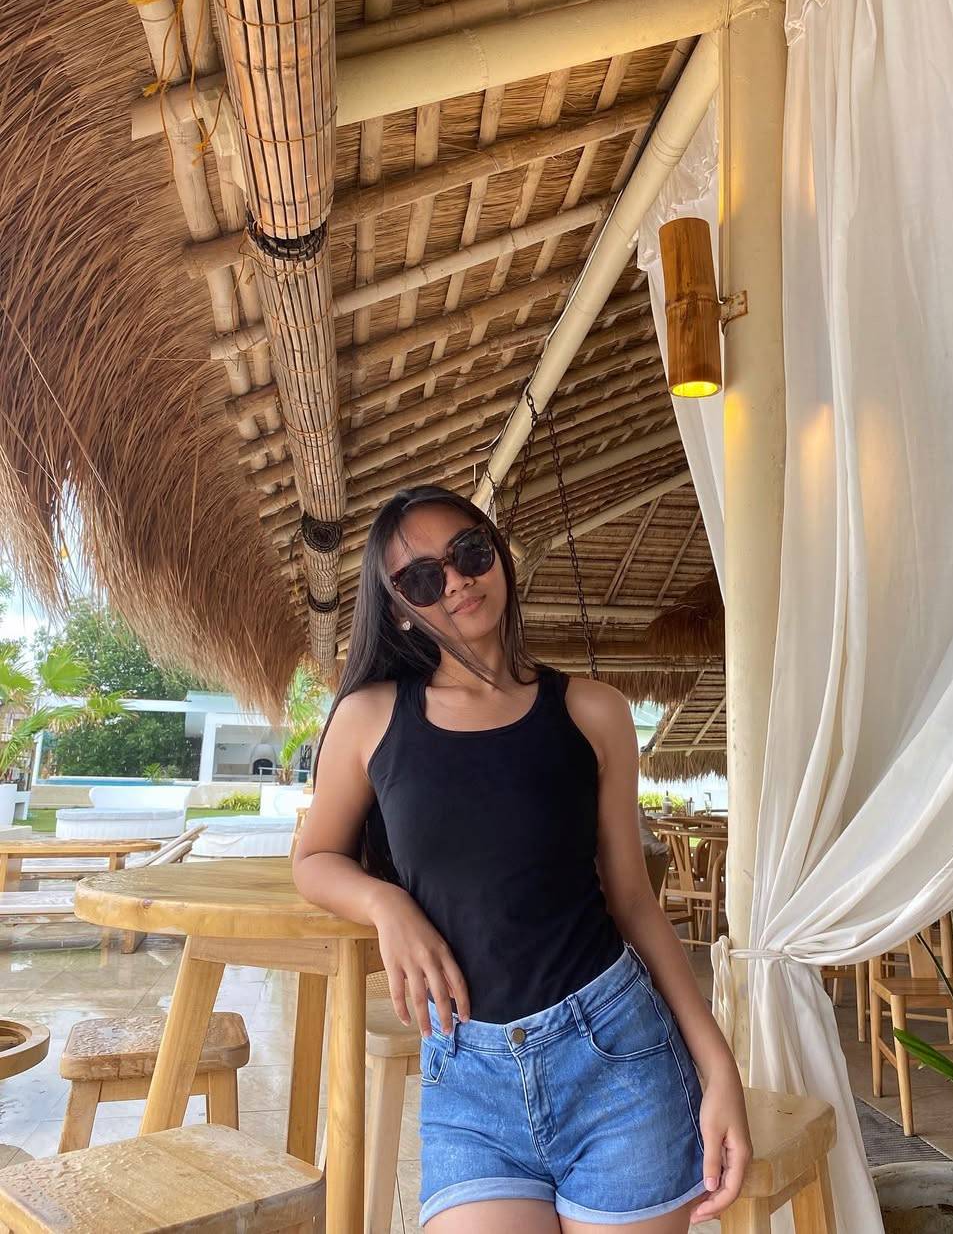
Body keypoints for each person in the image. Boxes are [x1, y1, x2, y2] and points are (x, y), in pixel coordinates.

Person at [293, 484, 750, 1232]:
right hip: (468, 1076)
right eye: (422, 578)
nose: (456, 581)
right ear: (398, 605)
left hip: (617, 1054)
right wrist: (386, 903)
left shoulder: (593, 711)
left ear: (498, 555)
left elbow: (634, 902)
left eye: (469, 553)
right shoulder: (369, 718)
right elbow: (314, 856)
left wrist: (718, 1066)